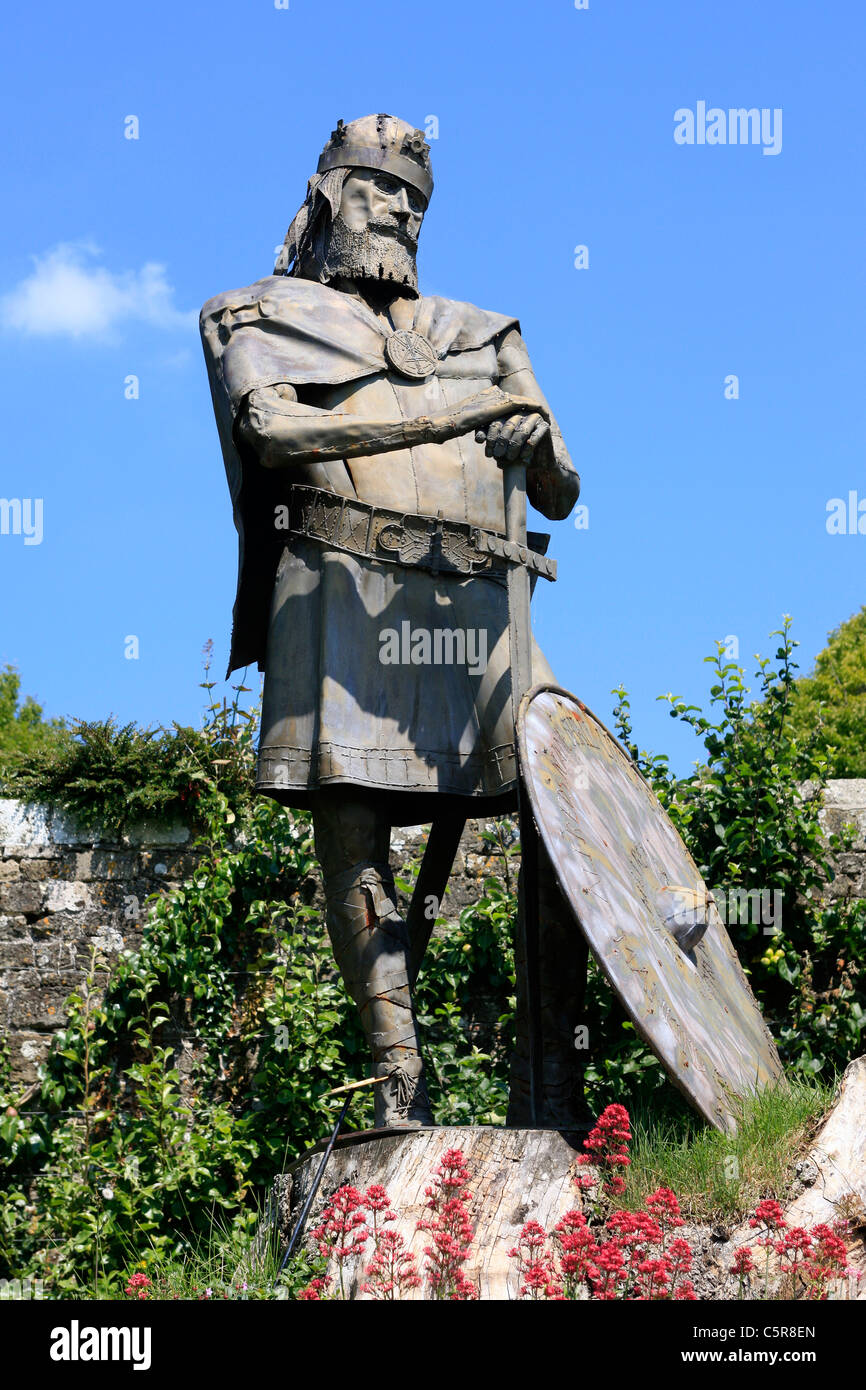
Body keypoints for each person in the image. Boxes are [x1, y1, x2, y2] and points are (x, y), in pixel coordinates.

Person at [201, 113, 586, 1129]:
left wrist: (528, 436)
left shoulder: (482, 331)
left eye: (413, 199)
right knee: (352, 831)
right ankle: (399, 1081)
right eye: (378, 191)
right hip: (338, 595)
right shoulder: (255, 314)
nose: (399, 211)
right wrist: (446, 417)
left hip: (480, 611)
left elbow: (557, 485)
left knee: (565, 822)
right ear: (328, 196)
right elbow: (276, 431)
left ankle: (551, 1084)